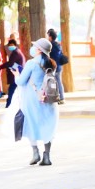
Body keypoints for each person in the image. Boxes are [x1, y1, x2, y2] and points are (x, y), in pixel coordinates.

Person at [11, 38, 58, 166]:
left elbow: (21, 81)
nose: (33, 48)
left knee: (31, 124)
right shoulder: (52, 64)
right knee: (47, 126)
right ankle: (47, 156)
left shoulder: (31, 63)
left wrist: (16, 74)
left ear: (39, 50)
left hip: (33, 100)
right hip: (48, 99)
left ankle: (35, 153)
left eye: (35, 46)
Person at [0, 39, 26, 108]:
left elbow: (10, 63)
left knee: (11, 90)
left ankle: (8, 105)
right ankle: (10, 104)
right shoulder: (17, 51)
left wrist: (0, 67)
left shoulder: (15, 53)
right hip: (17, 73)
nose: (10, 47)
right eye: (9, 45)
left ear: (15, 45)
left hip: (16, 74)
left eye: (11, 45)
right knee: (14, 90)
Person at [46, 29, 66, 104]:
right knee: (58, 82)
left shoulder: (51, 46)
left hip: (54, 67)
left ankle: (59, 98)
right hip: (59, 66)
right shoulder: (58, 45)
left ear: (50, 36)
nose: (47, 37)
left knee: (54, 82)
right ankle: (61, 97)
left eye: (48, 35)